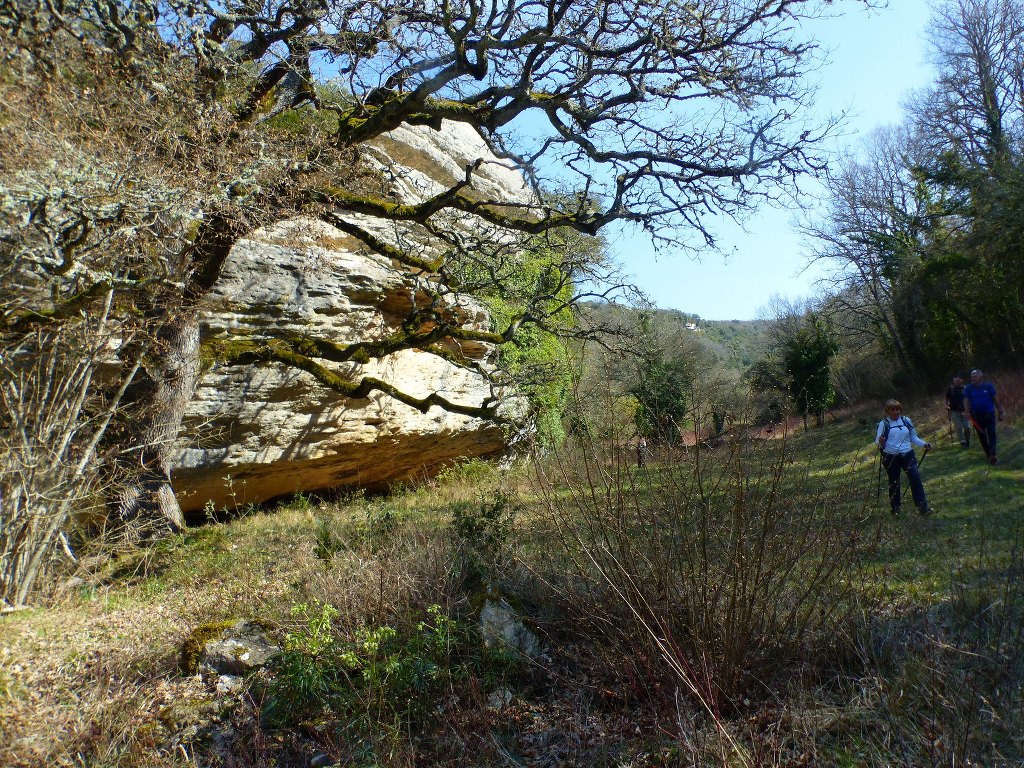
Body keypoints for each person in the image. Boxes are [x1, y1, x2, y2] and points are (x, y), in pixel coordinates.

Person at [876, 399, 934, 516]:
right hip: (891, 457)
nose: (896, 412)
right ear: (888, 411)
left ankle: (922, 507)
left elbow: (913, 437)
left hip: (907, 454)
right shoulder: (884, 424)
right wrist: (881, 441)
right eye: (893, 410)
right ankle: (895, 508)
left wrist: (924, 444)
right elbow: (877, 442)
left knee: (915, 478)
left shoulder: (906, 420)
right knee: (894, 482)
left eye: (898, 409)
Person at [964, 368, 1005, 464]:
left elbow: (995, 399)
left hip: (989, 414)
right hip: (976, 416)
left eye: (975, 377)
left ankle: (993, 455)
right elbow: (966, 400)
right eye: (971, 377)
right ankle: (988, 454)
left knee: (992, 434)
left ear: (981, 377)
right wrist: (966, 411)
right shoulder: (968, 388)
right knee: (982, 436)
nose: (973, 379)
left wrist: (1000, 412)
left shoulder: (988, 386)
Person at [945, 374, 970, 448]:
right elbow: (946, 397)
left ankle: (967, 439)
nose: (956, 382)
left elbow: (968, 399)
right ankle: (962, 442)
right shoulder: (950, 389)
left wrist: (969, 408)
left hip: (964, 411)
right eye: (955, 381)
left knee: (967, 427)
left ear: (961, 380)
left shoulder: (965, 388)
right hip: (954, 411)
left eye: (958, 380)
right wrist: (946, 405)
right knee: (958, 427)